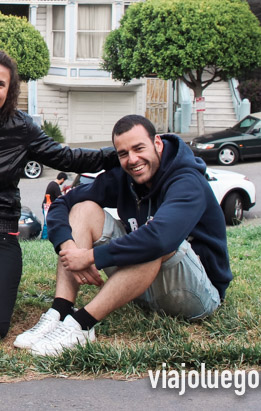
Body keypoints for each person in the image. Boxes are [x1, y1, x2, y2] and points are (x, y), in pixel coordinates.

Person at [0, 46, 114, 343]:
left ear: (9, 90)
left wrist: (120, 154)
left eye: (0, 84)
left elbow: (68, 158)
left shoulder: (22, 128)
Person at [22, 114, 231, 356]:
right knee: (83, 208)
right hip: (141, 286)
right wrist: (68, 248)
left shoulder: (187, 180)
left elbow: (160, 239)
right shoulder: (125, 177)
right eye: (123, 153)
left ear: (158, 144)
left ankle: (81, 325)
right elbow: (62, 203)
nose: (132, 160)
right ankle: (60, 312)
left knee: (155, 240)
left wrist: (90, 257)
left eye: (139, 148)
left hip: (196, 294)